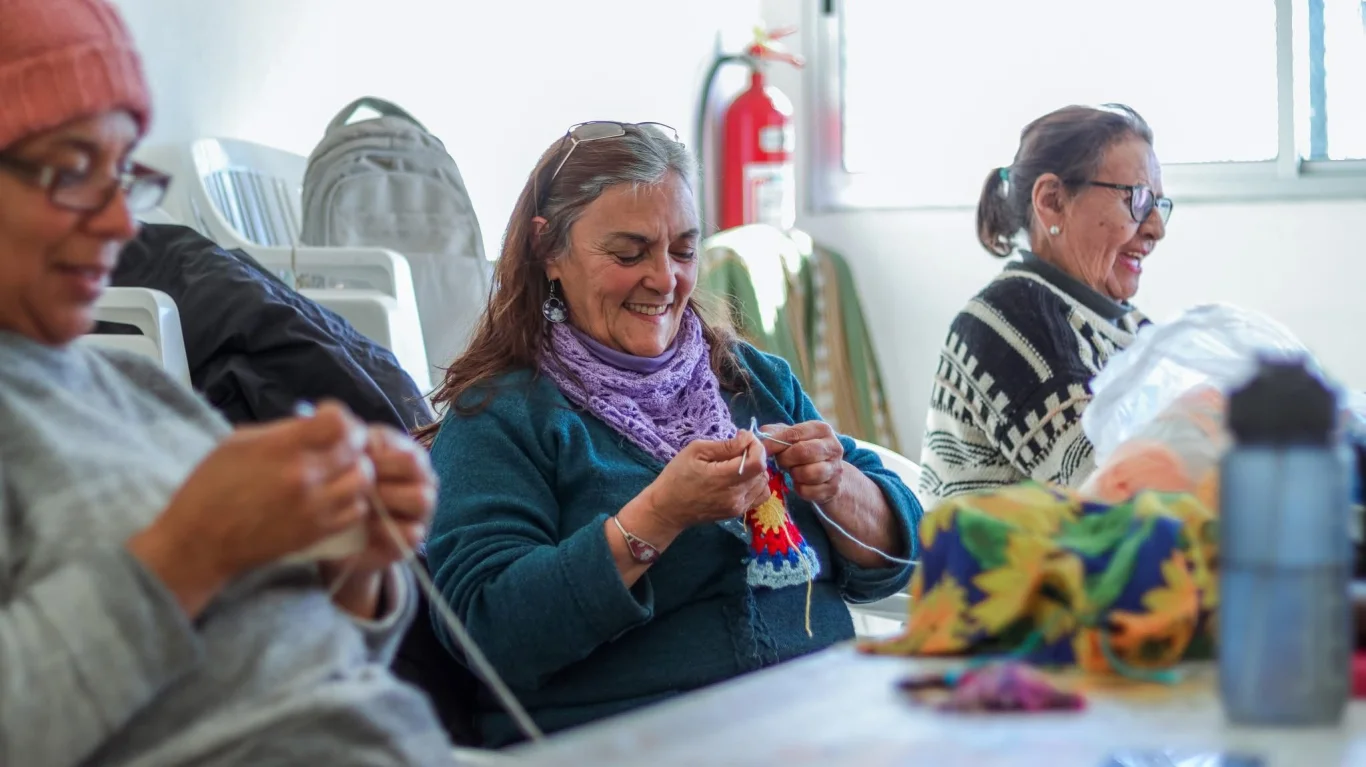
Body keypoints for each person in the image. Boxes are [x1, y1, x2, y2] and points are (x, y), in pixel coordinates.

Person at [0, 1, 454, 763]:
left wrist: (350, 568)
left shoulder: (138, 392)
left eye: (124, 175)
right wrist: (192, 550)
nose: (121, 224)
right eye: (74, 171)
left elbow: (295, 676)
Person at [420, 121, 922, 746]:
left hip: (819, 717)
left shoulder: (750, 378)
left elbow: (899, 560)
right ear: (549, 249)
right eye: (629, 255)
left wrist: (837, 484)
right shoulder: (501, 415)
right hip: (632, 740)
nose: (665, 279)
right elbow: (489, 632)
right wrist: (658, 515)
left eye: (684, 250)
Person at [918, 104, 1169, 507]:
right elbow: (1113, 493)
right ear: (1052, 201)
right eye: (1138, 200)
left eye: (1160, 205)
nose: (1155, 228)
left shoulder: (1130, 325)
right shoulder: (1010, 319)